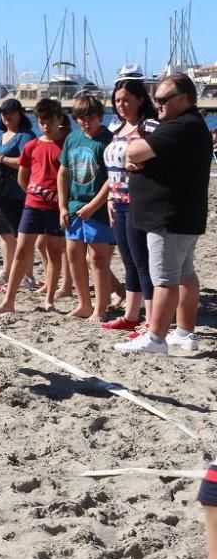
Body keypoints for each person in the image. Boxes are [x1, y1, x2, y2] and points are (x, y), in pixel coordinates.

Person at [116, 73, 211, 354]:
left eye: (162, 100)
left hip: (169, 217)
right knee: (184, 275)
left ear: (184, 98)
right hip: (183, 214)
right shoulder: (189, 126)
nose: (157, 105)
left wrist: (136, 159)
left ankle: (155, 337)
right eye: (155, 100)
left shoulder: (181, 126)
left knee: (165, 278)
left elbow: (132, 151)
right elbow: (141, 157)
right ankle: (184, 332)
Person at [0, 98, 68, 315]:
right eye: (42, 120)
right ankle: (9, 300)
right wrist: (34, 194)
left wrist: (59, 200)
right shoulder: (32, 146)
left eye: (50, 120)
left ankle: (49, 299)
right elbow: (22, 177)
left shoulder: (67, 143)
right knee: (22, 251)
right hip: (33, 205)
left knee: (54, 252)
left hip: (56, 207)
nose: (45, 125)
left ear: (59, 119)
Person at [102, 79, 157, 334]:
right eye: (117, 101)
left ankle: (151, 321)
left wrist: (143, 167)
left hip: (139, 202)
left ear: (140, 99)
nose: (121, 105)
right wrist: (111, 198)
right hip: (119, 202)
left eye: (126, 99)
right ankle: (131, 314)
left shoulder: (149, 127)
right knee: (129, 262)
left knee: (142, 261)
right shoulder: (119, 127)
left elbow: (164, 158)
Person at [57, 95, 115, 322]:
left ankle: (101, 308)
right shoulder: (72, 139)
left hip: (97, 208)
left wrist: (93, 206)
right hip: (74, 206)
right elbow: (63, 172)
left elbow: (112, 179)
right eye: (81, 117)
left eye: (91, 117)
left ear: (100, 116)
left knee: (98, 258)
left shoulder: (107, 140)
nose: (86, 121)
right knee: (73, 254)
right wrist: (62, 206)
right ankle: (84, 303)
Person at [0, 98, 38, 286]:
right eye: (4, 113)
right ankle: (7, 271)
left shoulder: (25, 136)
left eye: (11, 112)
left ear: (19, 114)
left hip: (17, 191)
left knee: (21, 236)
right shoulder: (0, 136)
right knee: (4, 234)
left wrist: (1, 158)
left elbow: (25, 161)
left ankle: (27, 275)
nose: (7, 116)